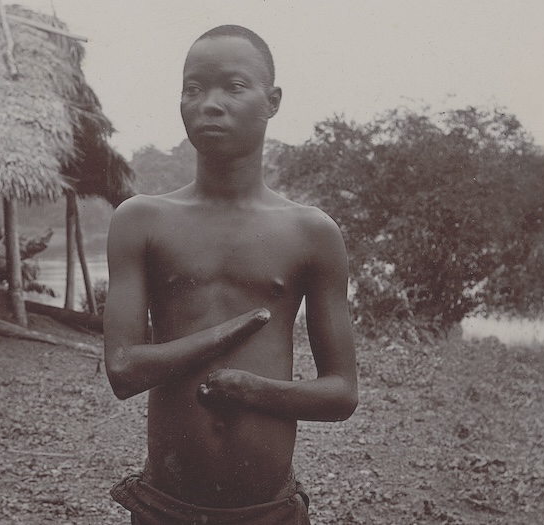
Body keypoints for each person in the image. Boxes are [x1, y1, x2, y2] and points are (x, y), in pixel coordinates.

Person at [104, 24, 358, 525]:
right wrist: (225, 334)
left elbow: (341, 393)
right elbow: (123, 369)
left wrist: (251, 389)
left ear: (273, 100)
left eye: (234, 86)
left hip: (271, 513)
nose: (210, 103)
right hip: (164, 509)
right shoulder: (140, 220)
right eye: (193, 88)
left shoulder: (311, 232)